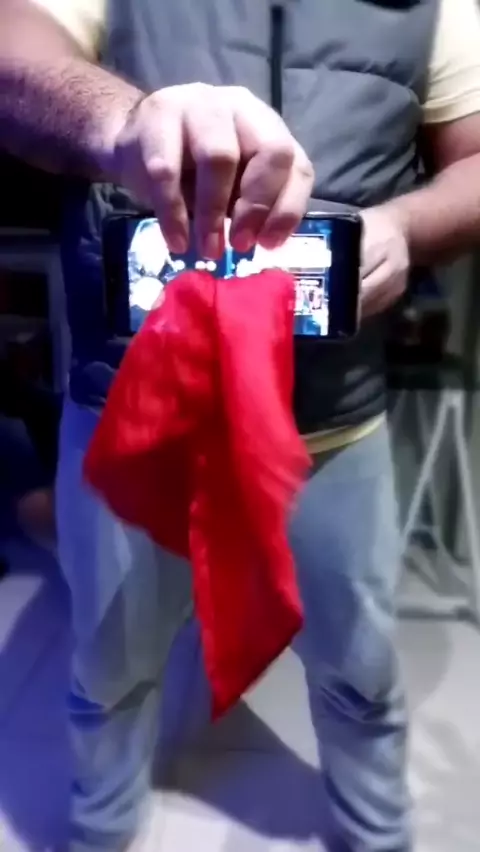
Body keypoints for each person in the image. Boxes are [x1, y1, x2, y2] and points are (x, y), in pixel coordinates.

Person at [2, 0, 480, 849]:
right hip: (130, 414)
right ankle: (98, 835)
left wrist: (408, 228)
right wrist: (126, 123)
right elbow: (11, 64)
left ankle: (378, 837)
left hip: (331, 425)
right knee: (109, 674)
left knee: (359, 679)